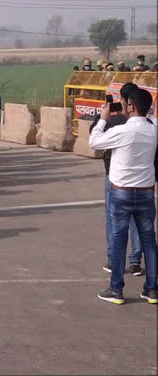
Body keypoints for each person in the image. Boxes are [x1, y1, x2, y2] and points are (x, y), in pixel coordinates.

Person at [90, 88, 158, 305]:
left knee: (119, 240)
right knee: (149, 241)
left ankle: (116, 288)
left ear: (132, 106)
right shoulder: (154, 129)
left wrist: (103, 119)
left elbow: (95, 141)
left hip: (122, 192)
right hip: (146, 192)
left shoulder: (123, 131)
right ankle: (152, 289)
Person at [91, 83, 145, 276]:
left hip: (116, 179)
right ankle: (136, 261)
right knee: (138, 222)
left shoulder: (115, 123)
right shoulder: (149, 125)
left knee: (114, 221)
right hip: (143, 182)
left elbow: (94, 139)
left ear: (125, 101)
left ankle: (114, 260)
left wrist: (101, 118)